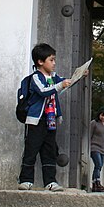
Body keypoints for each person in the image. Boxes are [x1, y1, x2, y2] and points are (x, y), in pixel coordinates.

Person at [18, 42, 74, 192]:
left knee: (49, 151)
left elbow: (64, 84)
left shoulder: (53, 77)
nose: (54, 63)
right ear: (40, 62)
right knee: (31, 149)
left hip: (50, 120)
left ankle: (50, 181)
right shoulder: (36, 77)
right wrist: (60, 85)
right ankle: (25, 180)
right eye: (51, 60)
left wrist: (77, 77)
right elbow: (43, 91)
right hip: (36, 120)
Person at [89, 107, 104, 192]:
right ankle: (97, 182)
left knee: (99, 166)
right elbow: (89, 135)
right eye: (102, 115)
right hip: (94, 146)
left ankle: (95, 184)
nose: (103, 117)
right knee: (98, 164)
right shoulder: (94, 123)